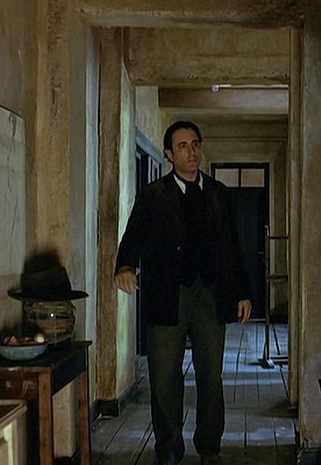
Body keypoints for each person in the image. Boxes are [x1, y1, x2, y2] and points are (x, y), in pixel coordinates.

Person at [114, 120, 253, 465]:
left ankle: (209, 447)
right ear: (168, 155)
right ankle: (169, 449)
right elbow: (133, 236)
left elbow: (233, 247)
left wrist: (243, 292)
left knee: (210, 376)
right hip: (168, 295)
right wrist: (125, 265)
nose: (191, 152)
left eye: (195, 144)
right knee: (164, 378)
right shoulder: (153, 195)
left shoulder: (219, 194)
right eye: (182, 146)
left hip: (210, 295)